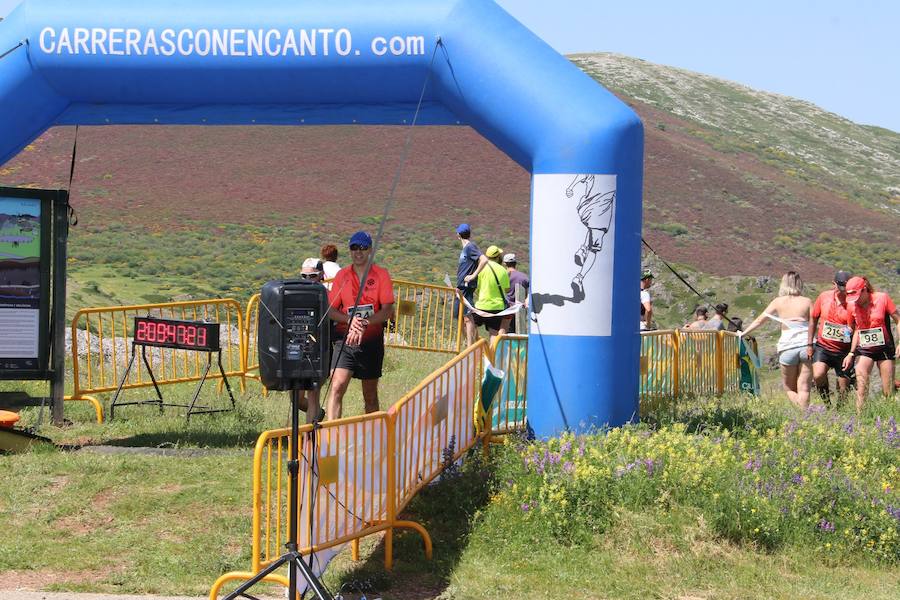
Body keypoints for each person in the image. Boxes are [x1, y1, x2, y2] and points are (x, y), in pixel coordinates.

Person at [325, 231, 395, 420]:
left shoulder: (381, 275)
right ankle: (332, 436)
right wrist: (350, 320)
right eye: (354, 248)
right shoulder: (342, 275)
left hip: (371, 342)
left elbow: (387, 310)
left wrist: (365, 322)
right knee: (337, 386)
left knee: (370, 394)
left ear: (370, 250)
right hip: (344, 340)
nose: (358, 252)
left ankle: (374, 439)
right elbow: (331, 310)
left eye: (362, 248)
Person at [739, 271, 812, 409]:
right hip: (806, 346)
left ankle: (803, 413)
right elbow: (815, 322)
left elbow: (760, 320)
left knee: (789, 387)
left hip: (787, 347)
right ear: (800, 283)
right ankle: (806, 414)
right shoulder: (807, 301)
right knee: (804, 388)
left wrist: (744, 333)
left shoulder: (778, 302)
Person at [840, 276, 900, 413]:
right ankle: (860, 419)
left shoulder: (882, 298)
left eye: (857, 296)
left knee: (888, 392)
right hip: (864, 349)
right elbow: (855, 329)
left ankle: (888, 419)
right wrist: (850, 352)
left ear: (865, 290)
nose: (855, 301)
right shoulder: (851, 306)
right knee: (861, 384)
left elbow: (898, 320)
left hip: (885, 348)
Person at [807, 270, 854, 402]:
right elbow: (813, 319)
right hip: (824, 347)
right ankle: (826, 404)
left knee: (844, 387)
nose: (844, 291)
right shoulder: (824, 297)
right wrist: (810, 344)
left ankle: (841, 409)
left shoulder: (853, 302)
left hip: (844, 350)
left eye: (847, 288)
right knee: (818, 375)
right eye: (841, 287)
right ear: (834, 284)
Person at [298, 258, 327, 423]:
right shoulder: (294, 294)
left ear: (321, 275)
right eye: (304, 276)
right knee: (296, 398)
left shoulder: (326, 296)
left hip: (318, 350)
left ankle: (309, 440)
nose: (307, 280)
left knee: (313, 393)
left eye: (312, 276)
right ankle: (318, 415)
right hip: (298, 349)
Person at [470, 245, 511, 344]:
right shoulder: (503, 270)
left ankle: (477, 346)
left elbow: (477, 288)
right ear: (498, 257)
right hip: (497, 307)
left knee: (470, 325)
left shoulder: (481, 269)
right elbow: (507, 289)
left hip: (481, 305)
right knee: (493, 333)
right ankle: (491, 357)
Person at [455, 223, 485, 347]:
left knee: (467, 316)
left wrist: (473, 276)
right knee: (459, 315)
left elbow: (484, 260)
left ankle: (470, 346)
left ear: (458, 235)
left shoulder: (470, 247)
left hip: (466, 286)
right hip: (461, 286)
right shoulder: (466, 249)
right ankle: (474, 343)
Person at [503, 252, 529, 333]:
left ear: (505, 263)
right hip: (521, 310)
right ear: (515, 263)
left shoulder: (503, 276)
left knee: (506, 334)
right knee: (519, 334)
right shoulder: (524, 277)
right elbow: (529, 292)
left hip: (507, 309)